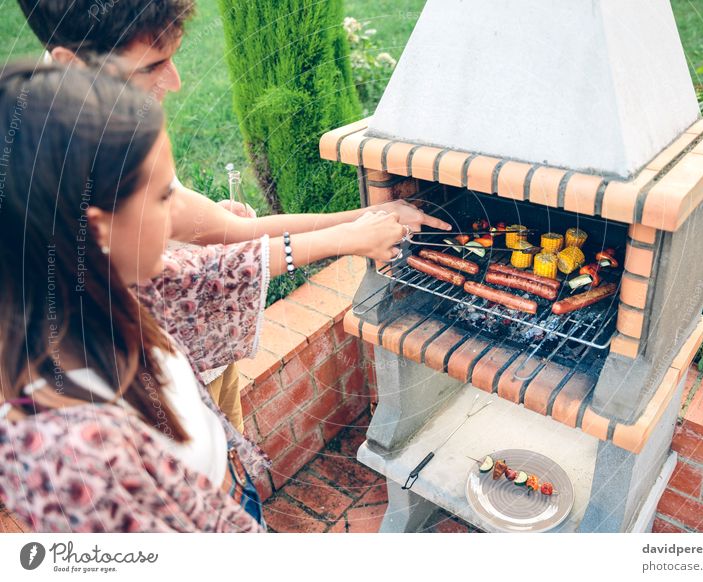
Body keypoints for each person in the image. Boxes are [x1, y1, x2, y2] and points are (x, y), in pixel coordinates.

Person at [0, 61, 412, 531]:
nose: (181, 219)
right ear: (99, 229)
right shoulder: (80, 457)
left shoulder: (77, 289)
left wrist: (356, 229)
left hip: (228, 491)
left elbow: (217, 267)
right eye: (162, 199)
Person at [16, 0, 451, 433]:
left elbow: (233, 232)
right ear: (72, 64)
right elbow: (190, 277)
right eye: (153, 65)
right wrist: (347, 238)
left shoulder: (111, 119)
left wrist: (365, 217)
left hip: (202, 365)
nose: (176, 81)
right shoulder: (44, 171)